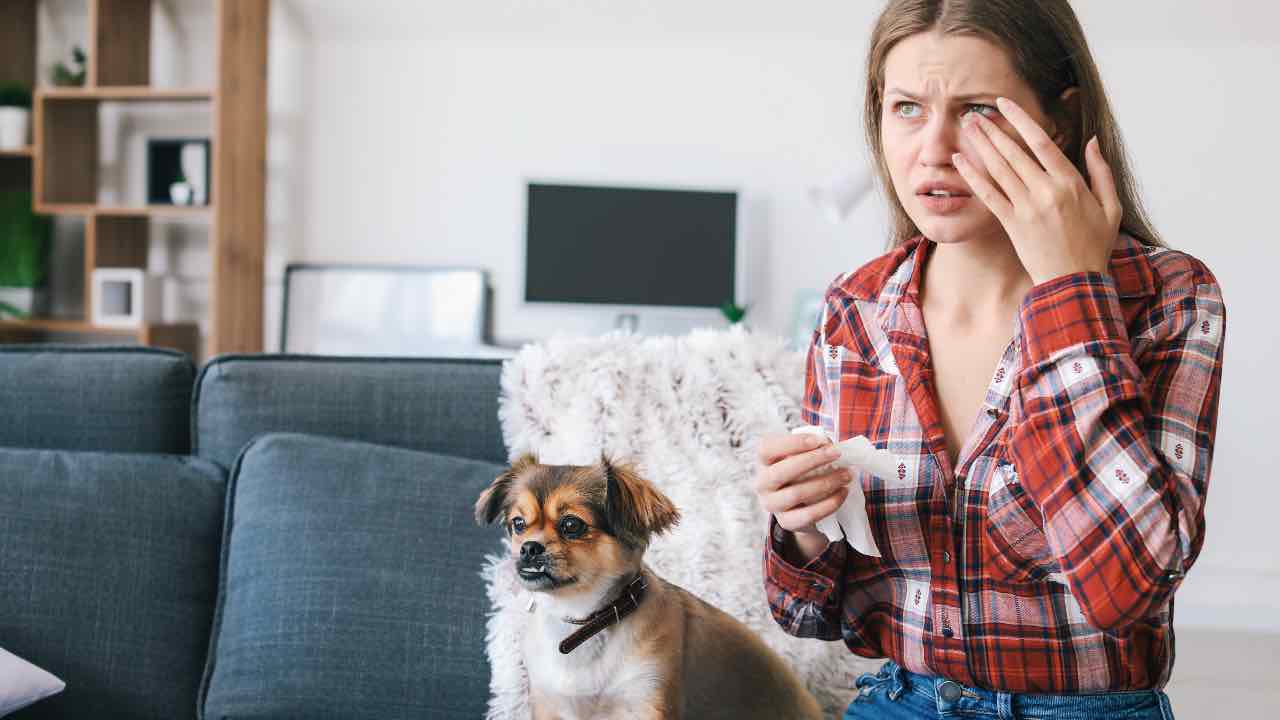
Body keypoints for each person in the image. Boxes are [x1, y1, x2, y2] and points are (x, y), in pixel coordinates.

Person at [753, 1, 1225, 718]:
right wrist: (803, 526)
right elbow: (806, 615)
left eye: (977, 111)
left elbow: (1128, 584)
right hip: (898, 700)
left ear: (1058, 120)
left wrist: (1071, 293)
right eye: (907, 107)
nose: (933, 150)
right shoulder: (857, 306)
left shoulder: (1167, 296)